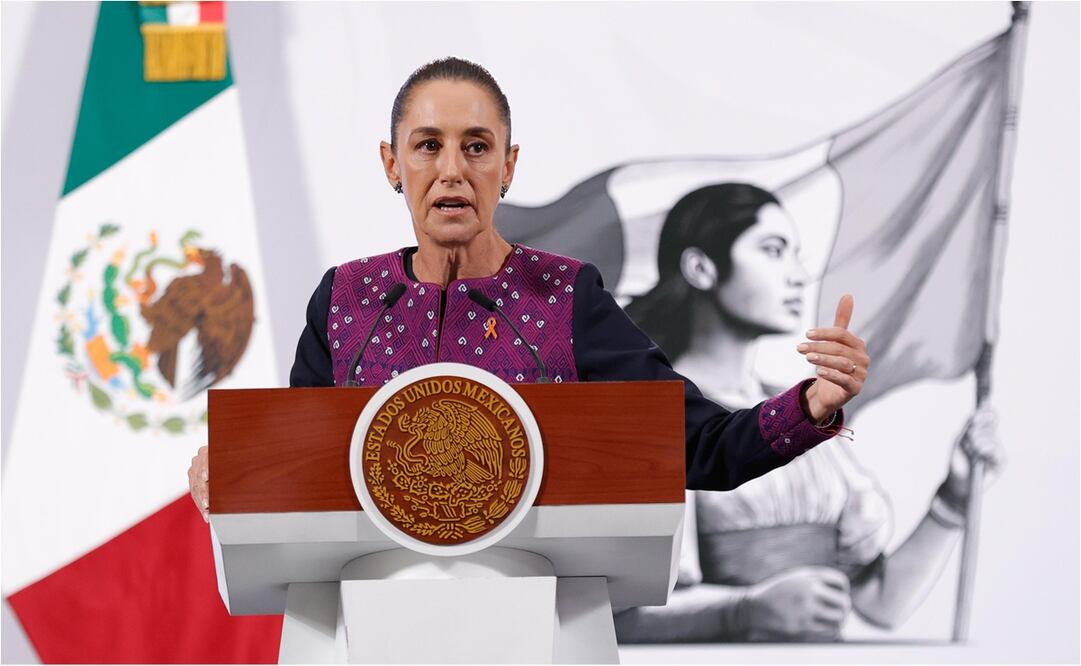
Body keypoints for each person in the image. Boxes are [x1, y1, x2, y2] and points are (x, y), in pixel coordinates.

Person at [188, 59, 870, 535]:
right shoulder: (343, 300)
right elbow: (303, 477)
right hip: (368, 627)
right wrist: (235, 475)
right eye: (427, 146)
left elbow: (696, 447)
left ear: (507, 165)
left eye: (476, 146)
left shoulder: (567, 297)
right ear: (391, 164)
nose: (452, 169)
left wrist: (809, 405)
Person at [613, 183, 1004, 642]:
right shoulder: (650, 412)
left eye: (796, 254)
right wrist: (744, 610)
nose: (799, 275)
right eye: (773, 250)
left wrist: (954, 498)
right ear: (701, 268)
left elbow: (880, 603)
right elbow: (618, 617)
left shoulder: (801, 412)